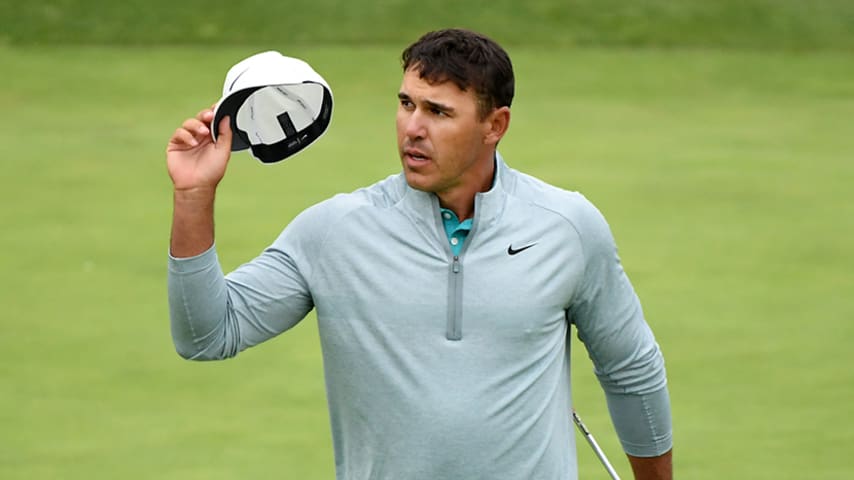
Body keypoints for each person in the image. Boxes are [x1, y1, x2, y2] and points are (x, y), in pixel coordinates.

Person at [166, 28, 673, 480]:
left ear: (495, 125)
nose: (413, 127)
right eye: (407, 103)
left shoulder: (567, 228)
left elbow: (632, 369)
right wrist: (194, 197)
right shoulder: (334, 232)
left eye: (438, 112)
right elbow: (208, 334)